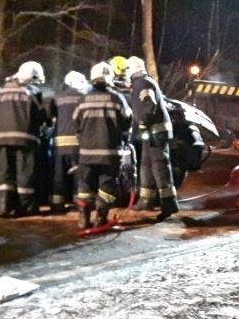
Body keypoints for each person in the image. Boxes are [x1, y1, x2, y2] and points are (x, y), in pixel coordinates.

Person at [73, 62, 133, 229]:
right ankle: (101, 218)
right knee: (107, 185)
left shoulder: (83, 100)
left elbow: (76, 122)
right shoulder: (117, 98)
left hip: (86, 153)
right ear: (109, 79)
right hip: (109, 152)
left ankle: (83, 219)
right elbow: (127, 122)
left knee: (85, 185)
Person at [0, 61, 47, 217]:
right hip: (25, 140)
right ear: (31, 77)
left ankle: (3, 207)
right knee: (25, 175)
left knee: (5, 174)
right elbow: (41, 116)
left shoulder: (1, 92)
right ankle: (26, 207)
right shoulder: (31, 93)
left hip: (2, 140)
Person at [126, 56, 179, 219]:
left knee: (159, 166)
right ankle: (146, 200)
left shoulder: (143, 83)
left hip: (156, 132)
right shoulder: (141, 82)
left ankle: (169, 204)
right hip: (152, 132)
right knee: (147, 165)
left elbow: (149, 105)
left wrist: (143, 124)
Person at [47, 70, 88, 215]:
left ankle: (56, 205)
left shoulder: (57, 97)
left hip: (60, 143)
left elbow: (50, 118)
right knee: (79, 174)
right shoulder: (84, 98)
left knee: (58, 175)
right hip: (78, 144)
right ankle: (79, 204)